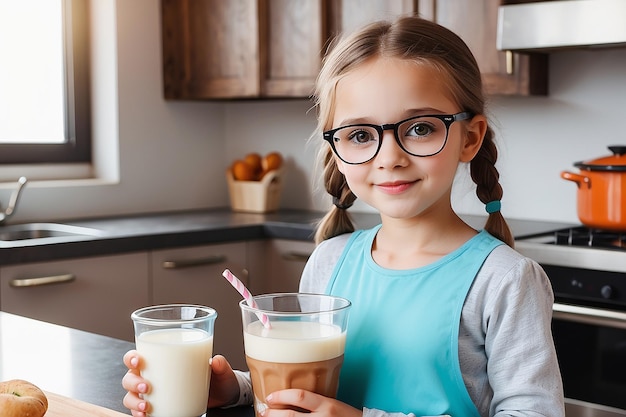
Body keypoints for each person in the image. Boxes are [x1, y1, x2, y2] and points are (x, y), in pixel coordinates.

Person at [122, 15, 565, 417]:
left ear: (470, 138)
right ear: (336, 148)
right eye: (359, 134)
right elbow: (319, 390)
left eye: (420, 128)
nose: (389, 157)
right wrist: (235, 388)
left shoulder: (504, 279)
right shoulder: (329, 263)